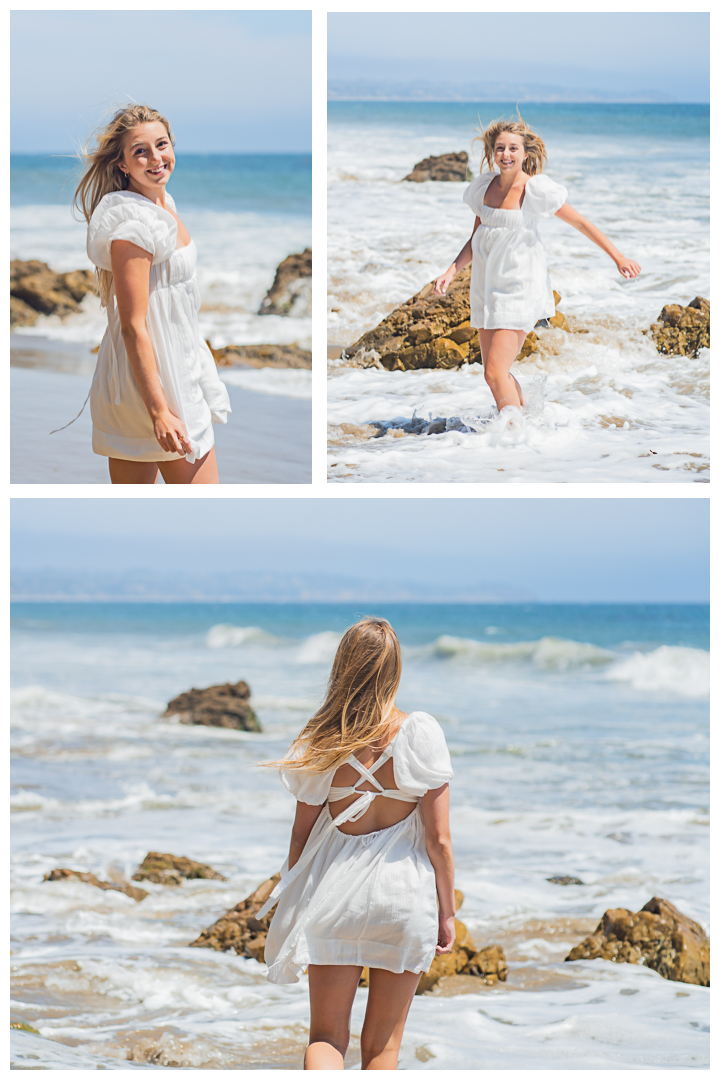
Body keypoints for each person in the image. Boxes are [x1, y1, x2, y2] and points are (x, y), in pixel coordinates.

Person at [258, 617, 455, 1070]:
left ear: (342, 667)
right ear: (395, 669)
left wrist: (295, 896)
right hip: (404, 897)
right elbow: (440, 840)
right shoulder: (419, 732)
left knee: (326, 1038)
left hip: (335, 896)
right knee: (382, 1049)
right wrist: (446, 912)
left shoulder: (321, 739)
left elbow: (300, 836)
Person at [434, 113, 641, 423]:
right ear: (493, 152)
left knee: (495, 370)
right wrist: (452, 270)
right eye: (500, 148)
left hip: (519, 287)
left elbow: (581, 222)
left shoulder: (535, 190)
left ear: (525, 154)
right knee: (492, 375)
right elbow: (477, 235)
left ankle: (512, 432)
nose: (506, 154)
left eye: (513, 149)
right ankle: (523, 421)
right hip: (486, 286)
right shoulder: (484, 188)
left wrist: (619, 257)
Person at [73, 104, 230, 484]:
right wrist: (159, 409)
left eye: (162, 144)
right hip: (153, 385)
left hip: (175, 371)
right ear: (123, 164)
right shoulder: (133, 224)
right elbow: (132, 326)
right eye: (140, 151)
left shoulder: (164, 206)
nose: (156, 158)